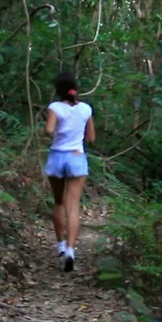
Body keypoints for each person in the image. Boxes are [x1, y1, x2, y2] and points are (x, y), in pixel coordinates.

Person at [43, 71, 95, 272]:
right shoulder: (85, 109)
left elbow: (48, 130)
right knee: (73, 206)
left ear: (58, 90)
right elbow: (91, 138)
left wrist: (49, 133)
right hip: (76, 157)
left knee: (58, 201)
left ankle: (60, 246)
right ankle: (71, 250)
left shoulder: (55, 108)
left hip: (57, 156)